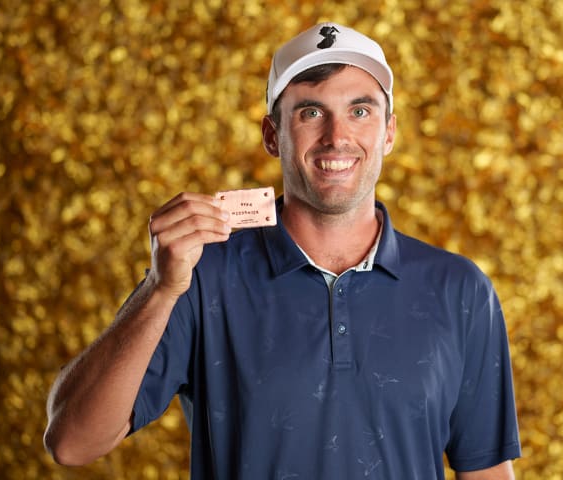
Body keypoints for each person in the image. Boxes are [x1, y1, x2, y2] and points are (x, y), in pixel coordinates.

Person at [44, 22, 521, 479]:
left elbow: (486, 469)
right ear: (272, 136)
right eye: (310, 112)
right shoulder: (201, 275)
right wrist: (161, 288)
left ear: (389, 132)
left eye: (360, 111)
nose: (337, 137)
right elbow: (72, 443)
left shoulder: (459, 289)